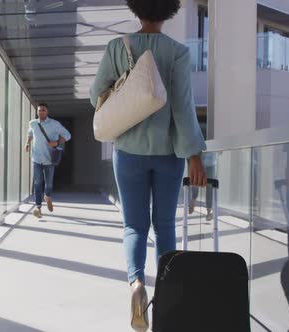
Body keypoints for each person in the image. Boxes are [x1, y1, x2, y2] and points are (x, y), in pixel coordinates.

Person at [89, 1, 207, 330]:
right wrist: (195, 155)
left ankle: (136, 285)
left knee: (134, 227)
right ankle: (167, 298)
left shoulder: (116, 47)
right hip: (169, 154)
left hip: (127, 151)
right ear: (168, 10)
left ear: (136, 8)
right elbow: (183, 108)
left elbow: (94, 93)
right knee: (165, 226)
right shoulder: (178, 53)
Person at [25, 103, 71, 218]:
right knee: (37, 182)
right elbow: (30, 133)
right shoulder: (33, 123)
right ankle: (38, 207)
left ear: (47, 112)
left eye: (43, 110)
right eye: (39, 110)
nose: (41, 112)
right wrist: (27, 143)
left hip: (49, 159)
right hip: (36, 158)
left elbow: (67, 135)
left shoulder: (54, 124)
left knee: (49, 183)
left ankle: (48, 196)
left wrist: (56, 142)